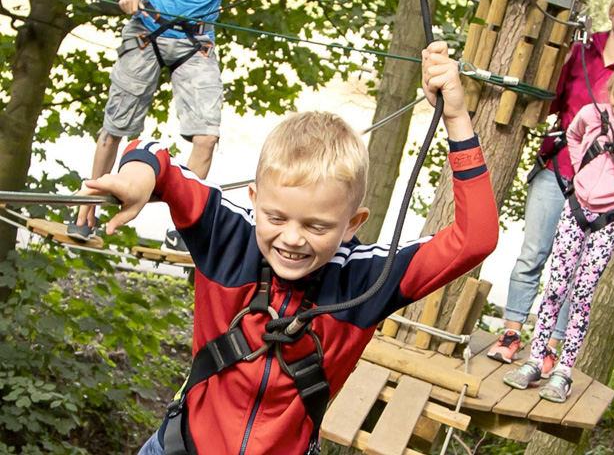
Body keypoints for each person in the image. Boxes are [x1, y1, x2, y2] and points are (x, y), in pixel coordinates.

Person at [75, 41, 499, 455]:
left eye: (316, 226)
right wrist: (136, 178)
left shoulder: (367, 280)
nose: (292, 238)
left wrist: (455, 116)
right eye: (276, 218)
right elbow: (153, 153)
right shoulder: (228, 236)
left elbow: (475, 238)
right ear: (254, 199)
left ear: (352, 224)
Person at [67, 0, 315, 253]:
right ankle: (87, 211)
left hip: (195, 42)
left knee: (207, 137)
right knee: (115, 127)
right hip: (147, 31)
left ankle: (184, 228)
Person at [487, 0, 614, 371]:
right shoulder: (581, 52)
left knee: (577, 272)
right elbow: (551, 100)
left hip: (605, 191)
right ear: (612, 11)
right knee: (534, 252)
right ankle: (512, 333)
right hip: (560, 168)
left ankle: (550, 348)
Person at [503, 64, 614, 402]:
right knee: (555, 287)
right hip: (576, 209)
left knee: (582, 293)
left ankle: (563, 371)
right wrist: (579, 173)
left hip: (609, 218)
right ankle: (535, 360)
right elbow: (572, 137)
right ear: (610, 93)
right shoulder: (591, 114)